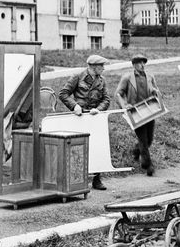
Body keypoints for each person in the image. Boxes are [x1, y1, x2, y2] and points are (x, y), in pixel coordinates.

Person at [58, 54, 111, 190]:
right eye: (101, 66)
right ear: (93, 67)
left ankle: (97, 179)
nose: (103, 69)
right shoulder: (78, 76)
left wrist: (98, 109)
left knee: (97, 146)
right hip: (80, 118)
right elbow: (63, 93)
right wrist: (75, 106)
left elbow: (106, 99)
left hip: (94, 117)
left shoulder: (102, 80)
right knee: (77, 148)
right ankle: (77, 180)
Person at [115, 53, 161, 176]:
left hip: (150, 110)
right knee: (143, 139)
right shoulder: (127, 77)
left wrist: (156, 92)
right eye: (139, 63)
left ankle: (136, 152)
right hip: (136, 112)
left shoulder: (150, 76)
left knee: (149, 139)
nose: (142, 65)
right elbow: (118, 94)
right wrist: (125, 105)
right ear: (134, 65)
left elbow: (155, 89)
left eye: (143, 63)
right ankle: (147, 165)